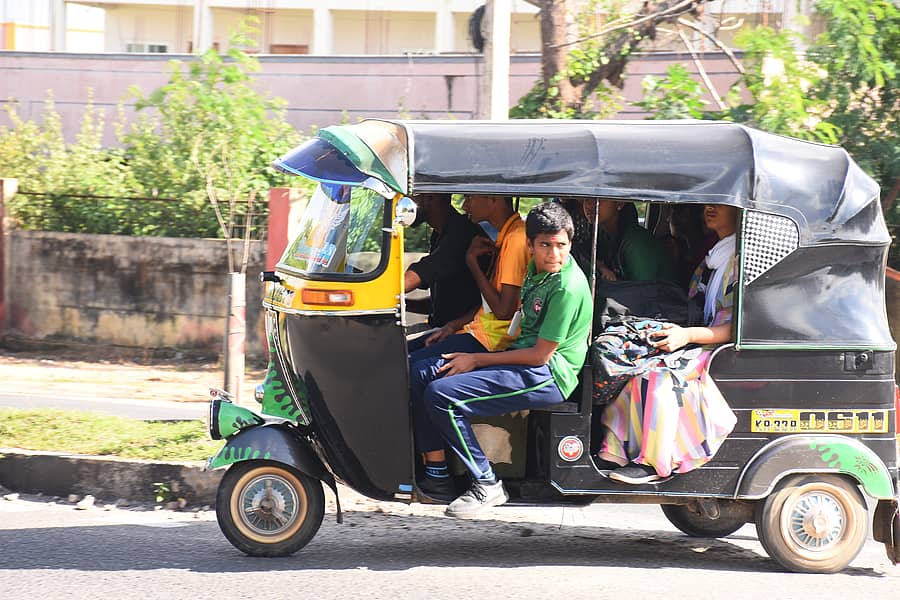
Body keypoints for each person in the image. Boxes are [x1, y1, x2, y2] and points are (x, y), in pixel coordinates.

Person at [410, 202, 593, 518]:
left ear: (570, 244)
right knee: (433, 377)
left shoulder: (566, 286)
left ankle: (487, 483)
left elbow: (540, 355)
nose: (554, 254)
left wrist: (477, 360)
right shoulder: (538, 271)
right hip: (524, 361)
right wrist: (459, 332)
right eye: (545, 245)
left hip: (548, 374)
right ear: (531, 246)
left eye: (561, 246)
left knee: (441, 396)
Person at [596, 203, 739, 484]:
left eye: (720, 203)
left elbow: (737, 327)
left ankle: (654, 461)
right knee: (634, 366)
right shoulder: (714, 258)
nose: (709, 208)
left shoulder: (743, 261)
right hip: (695, 337)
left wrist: (687, 336)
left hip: (715, 346)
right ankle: (614, 451)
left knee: (658, 377)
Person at [410, 194, 530, 357]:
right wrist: (453, 325)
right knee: (402, 356)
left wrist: (471, 262)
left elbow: (503, 312)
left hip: (492, 339)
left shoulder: (515, 239)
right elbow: (486, 304)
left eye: (469, 197)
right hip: (475, 328)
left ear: (494, 199)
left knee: (410, 368)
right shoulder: (505, 237)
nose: (465, 206)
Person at [403, 193, 486, 348]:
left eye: (412, 196)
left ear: (430, 198)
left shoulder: (462, 231)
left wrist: (379, 290)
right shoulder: (439, 234)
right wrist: (400, 303)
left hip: (465, 332)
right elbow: (442, 304)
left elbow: (424, 271)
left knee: (400, 359)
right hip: (442, 329)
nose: (405, 202)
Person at [577, 198, 675, 282]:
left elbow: (643, 292)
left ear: (619, 204)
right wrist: (600, 267)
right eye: (585, 199)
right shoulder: (601, 235)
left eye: (599, 199)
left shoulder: (636, 242)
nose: (588, 204)